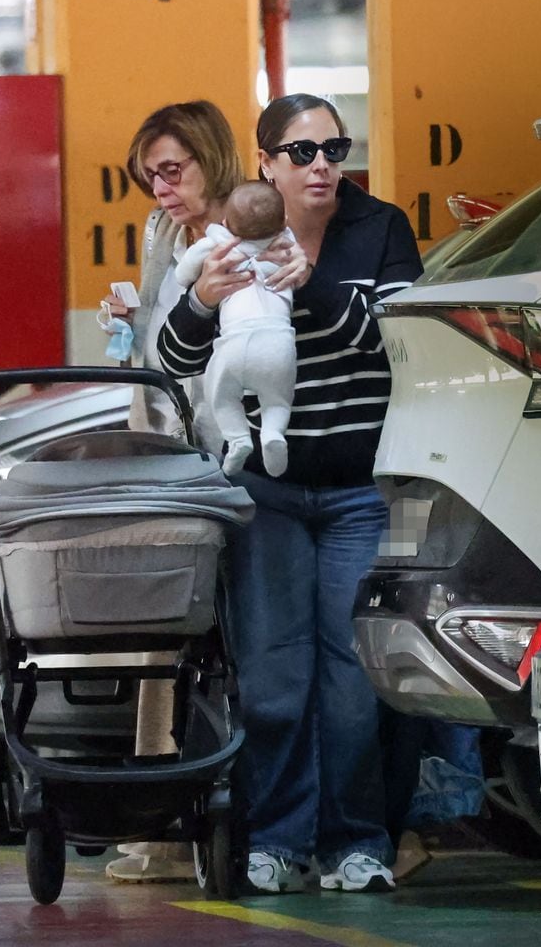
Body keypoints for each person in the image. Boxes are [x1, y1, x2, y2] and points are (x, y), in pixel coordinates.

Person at [158, 93, 423, 893]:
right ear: (265, 161)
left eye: (335, 150)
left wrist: (308, 288)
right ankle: (275, 837)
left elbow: (396, 332)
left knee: (353, 678)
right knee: (274, 677)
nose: (321, 167)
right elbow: (174, 354)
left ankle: (357, 841)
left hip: (356, 489)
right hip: (264, 496)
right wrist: (204, 298)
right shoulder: (230, 233)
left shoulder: (379, 229)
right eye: (302, 153)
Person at [98, 99, 253, 884]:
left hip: (233, 464)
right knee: (164, 638)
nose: (159, 187)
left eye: (171, 169)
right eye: (147, 175)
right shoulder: (166, 236)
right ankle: (157, 829)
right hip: (172, 461)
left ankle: (227, 822)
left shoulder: (247, 228)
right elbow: (162, 350)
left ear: (210, 156)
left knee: (238, 648)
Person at [174, 181, 296, 477]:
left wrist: (199, 278)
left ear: (226, 223)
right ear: (284, 221)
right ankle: (273, 434)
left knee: (223, 396)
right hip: (277, 342)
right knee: (277, 399)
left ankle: (238, 439)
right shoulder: (288, 248)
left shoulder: (216, 244)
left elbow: (182, 274)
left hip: (233, 344)